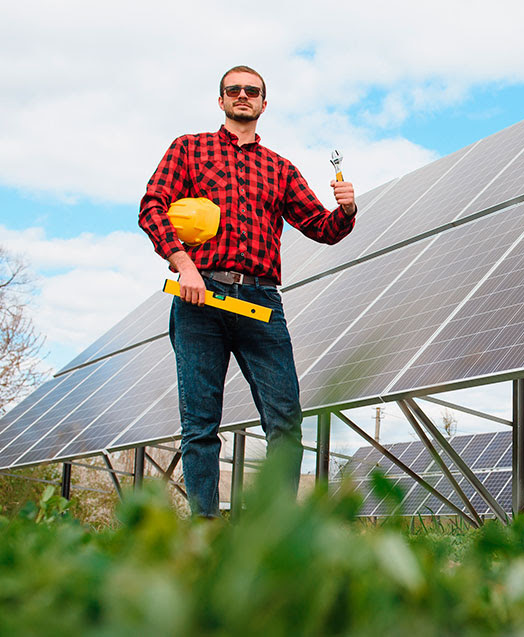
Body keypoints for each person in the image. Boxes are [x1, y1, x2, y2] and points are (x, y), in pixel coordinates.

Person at [139, 65, 356, 517]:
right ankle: (204, 526)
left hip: (260, 302)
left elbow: (320, 227)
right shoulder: (189, 149)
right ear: (221, 100)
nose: (243, 96)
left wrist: (347, 209)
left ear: (263, 103)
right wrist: (184, 266)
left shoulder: (279, 168)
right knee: (200, 424)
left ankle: (273, 531)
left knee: (285, 421)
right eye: (233, 90)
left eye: (252, 91)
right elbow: (152, 206)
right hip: (200, 297)